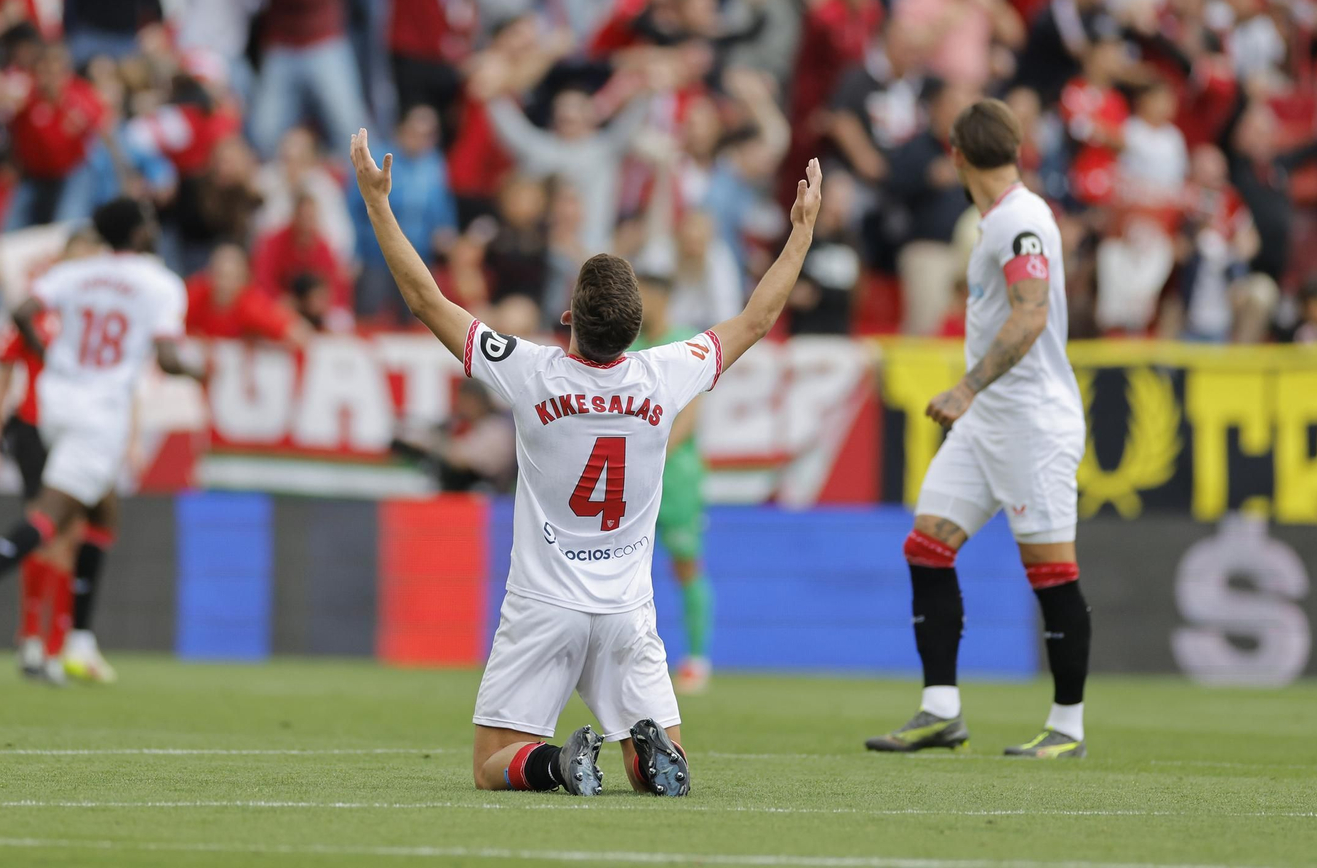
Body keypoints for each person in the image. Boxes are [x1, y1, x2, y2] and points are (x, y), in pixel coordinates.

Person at [350, 127, 822, 797]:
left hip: (544, 601)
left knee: (492, 764)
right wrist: (800, 230)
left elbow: (428, 299)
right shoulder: (667, 371)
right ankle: (646, 748)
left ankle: (556, 764)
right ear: (636, 330)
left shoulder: (530, 371)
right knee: (655, 759)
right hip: (628, 607)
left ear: (567, 316)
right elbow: (758, 316)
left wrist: (377, 204)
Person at [864, 99, 1090, 759]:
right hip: (987, 423)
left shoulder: (1021, 221)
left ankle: (1068, 726)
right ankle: (941, 709)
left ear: (956, 155)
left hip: (1030, 423)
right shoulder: (997, 221)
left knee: (1051, 569)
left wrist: (967, 385)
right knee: (927, 544)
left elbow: (1030, 315)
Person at [0, 199, 203, 683]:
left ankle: (80, 642)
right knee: (52, 517)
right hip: (100, 414)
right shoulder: (161, 283)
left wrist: (49, 354)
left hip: (55, 403)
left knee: (103, 514)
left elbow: (21, 309)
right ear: (140, 235)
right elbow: (165, 359)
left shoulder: (75, 274)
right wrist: (198, 369)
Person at [0, 227, 104, 683]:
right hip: (34, 426)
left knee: (66, 538)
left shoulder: (101, 315)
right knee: (49, 532)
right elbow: (0, 380)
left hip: (82, 431)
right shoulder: (40, 307)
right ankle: (36, 639)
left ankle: (48, 644)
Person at [629, 274, 712, 695]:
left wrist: (651, 451)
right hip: (633, 476)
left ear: (662, 297)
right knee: (625, 564)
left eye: (643, 296)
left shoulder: (684, 345)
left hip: (675, 475)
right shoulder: (628, 347)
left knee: (684, 564)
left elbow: (691, 415)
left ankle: (697, 658)